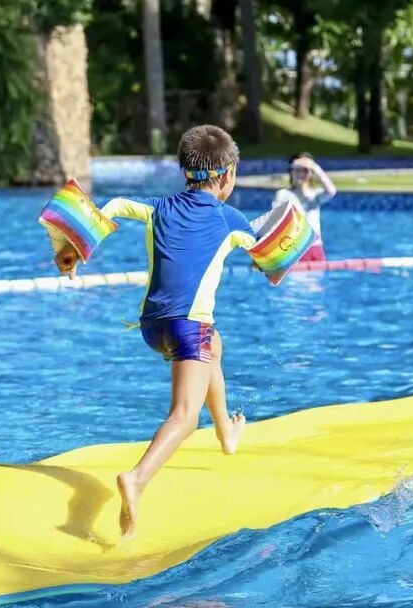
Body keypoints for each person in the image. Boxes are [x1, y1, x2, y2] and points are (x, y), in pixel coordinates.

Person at [51, 125, 256, 538]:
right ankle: (137, 479)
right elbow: (268, 252)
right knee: (185, 416)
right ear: (228, 175)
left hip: (153, 327)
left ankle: (226, 435)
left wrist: (72, 248)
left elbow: (114, 205)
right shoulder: (230, 219)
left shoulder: (158, 207)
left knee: (215, 345)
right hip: (189, 328)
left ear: (184, 172)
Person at [270, 153, 337, 262]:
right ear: (291, 172)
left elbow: (331, 191)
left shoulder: (315, 195)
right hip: (293, 249)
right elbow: (275, 222)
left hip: (315, 247)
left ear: (311, 173)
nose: (301, 174)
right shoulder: (283, 194)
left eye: (305, 170)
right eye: (297, 170)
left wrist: (315, 167)